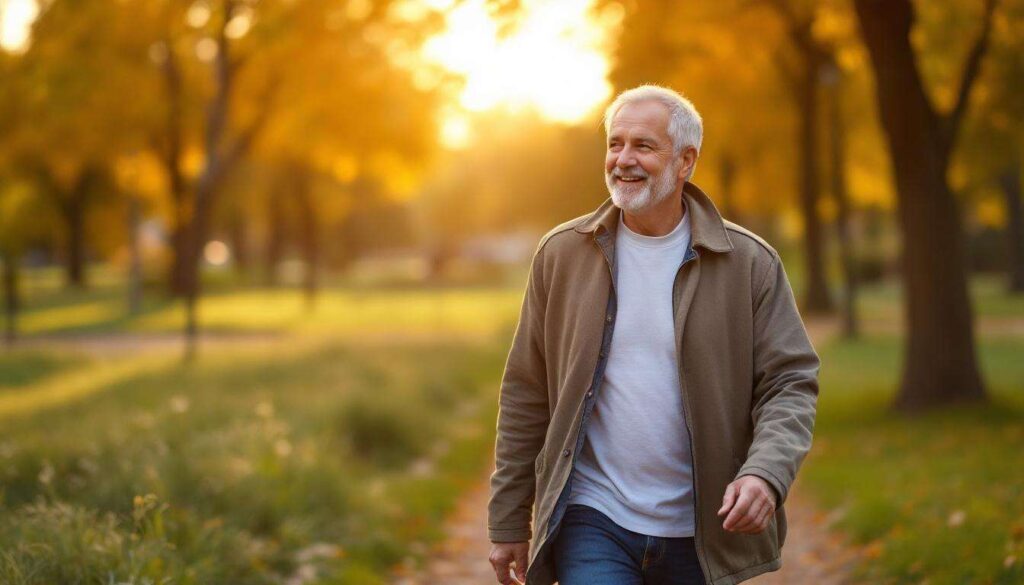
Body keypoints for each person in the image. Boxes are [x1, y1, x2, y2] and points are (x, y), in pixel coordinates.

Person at [486, 85, 820, 585]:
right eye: (615, 144)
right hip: (593, 515)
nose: (623, 159)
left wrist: (765, 472)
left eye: (643, 145)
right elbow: (526, 392)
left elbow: (789, 382)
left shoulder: (750, 263)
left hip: (703, 529)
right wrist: (510, 519)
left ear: (686, 161)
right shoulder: (562, 255)